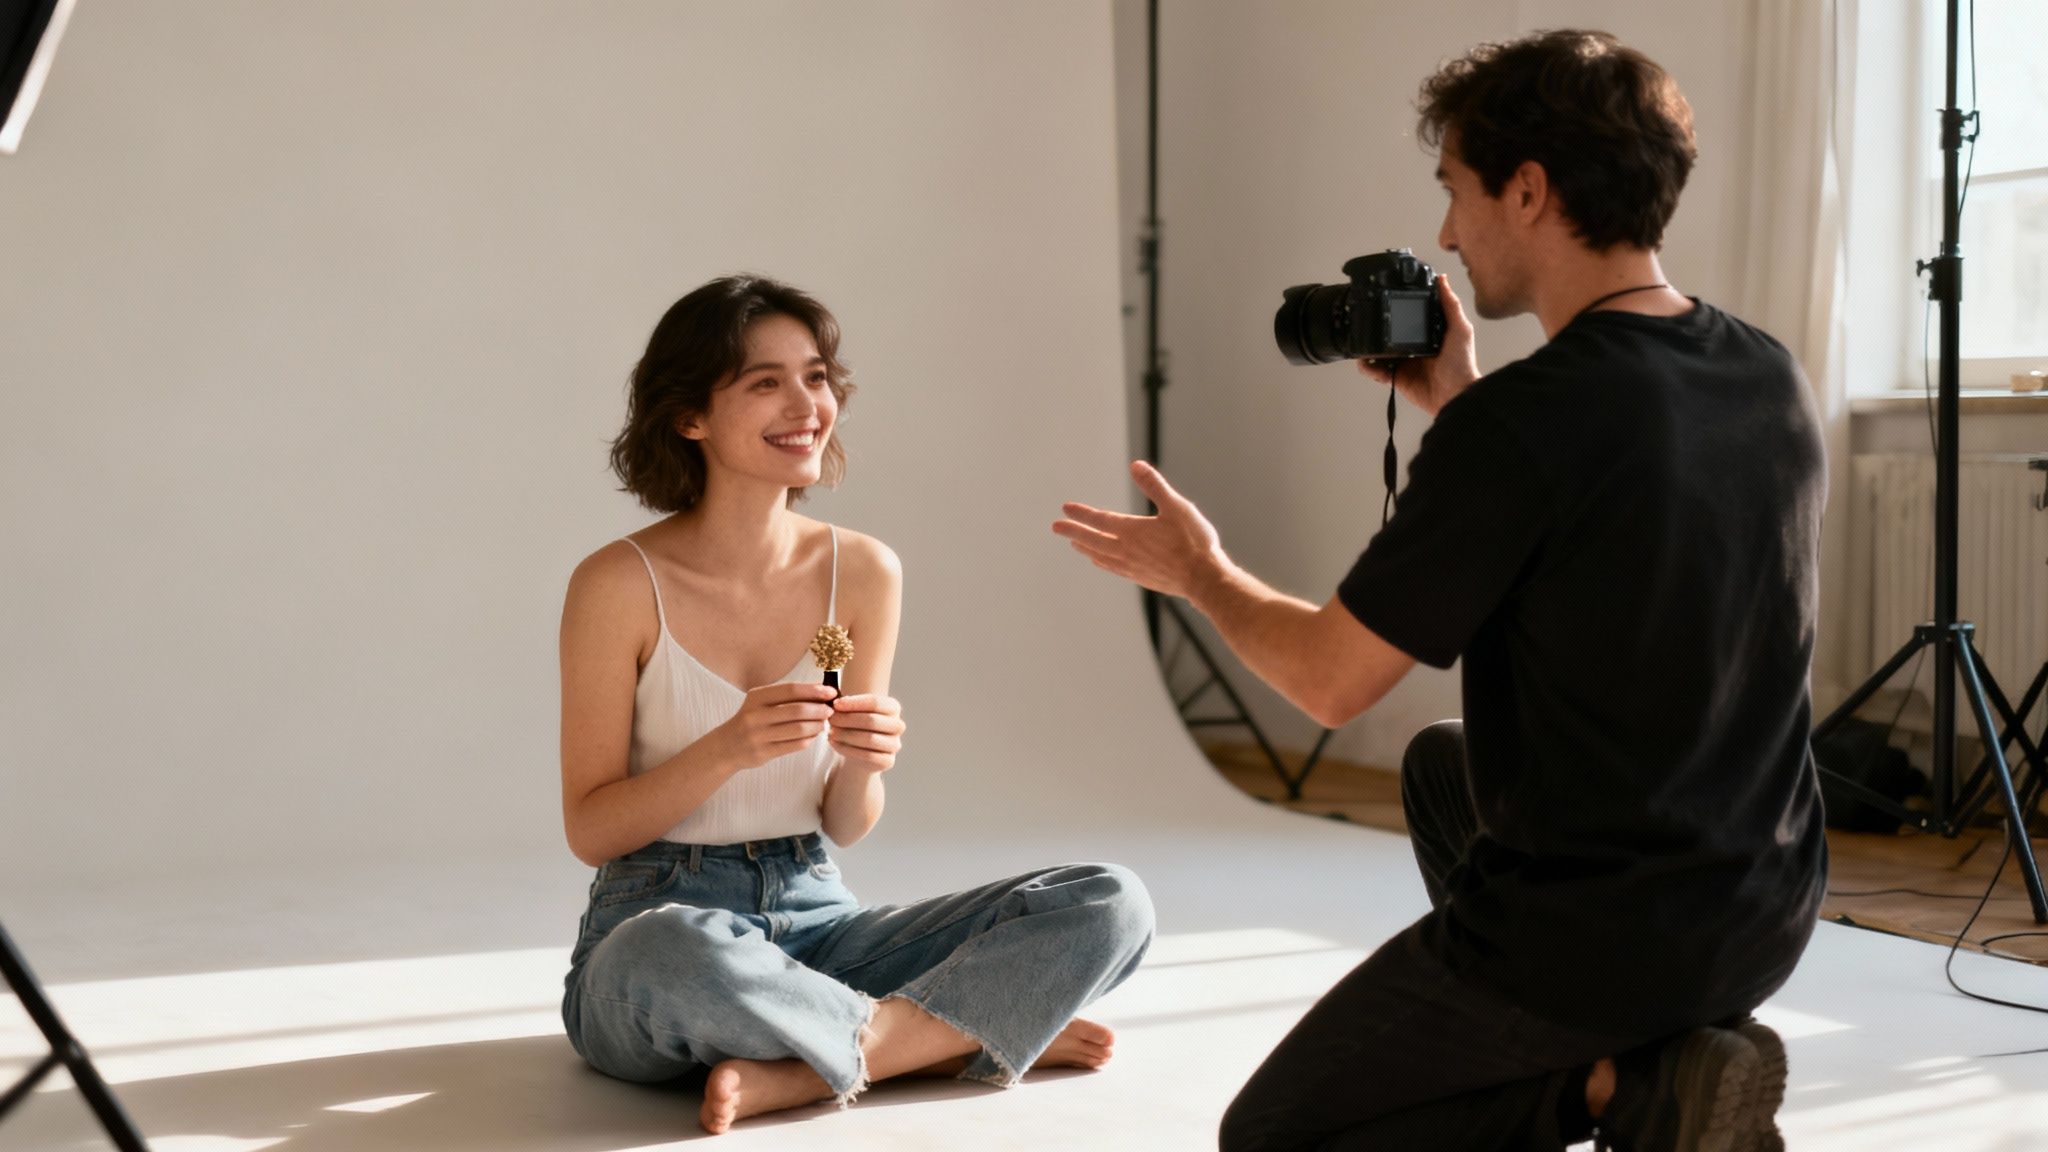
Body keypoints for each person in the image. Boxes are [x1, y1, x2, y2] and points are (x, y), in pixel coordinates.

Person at [1056, 29, 1824, 1152]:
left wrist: (1197, 573)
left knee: (1271, 1137)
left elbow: (1327, 681)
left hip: (1608, 929)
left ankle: (1624, 1090)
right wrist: (1459, 402)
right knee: (1441, 771)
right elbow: (1609, 512)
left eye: (1455, 192)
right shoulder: (1764, 368)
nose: (1444, 235)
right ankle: (1671, 1052)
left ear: (1527, 189)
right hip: (1763, 905)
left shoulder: (1524, 425)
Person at [562, 274, 1154, 1135]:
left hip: (818, 915)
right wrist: (726, 748)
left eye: (815, 375)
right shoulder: (618, 584)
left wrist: (864, 765)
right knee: (670, 955)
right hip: (657, 915)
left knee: (1111, 901)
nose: (807, 403)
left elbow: (845, 821)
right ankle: (950, 1036)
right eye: (765, 382)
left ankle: (813, 1064)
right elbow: (591, 829)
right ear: (689, 416)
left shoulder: (862, 572)